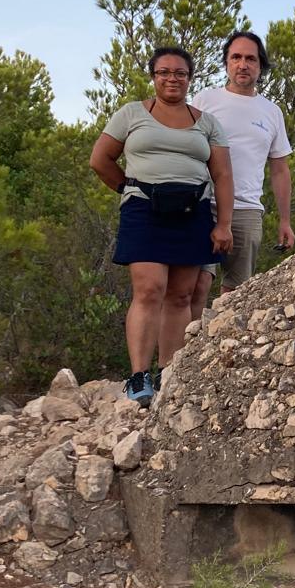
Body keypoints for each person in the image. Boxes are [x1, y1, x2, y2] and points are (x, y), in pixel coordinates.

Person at [89, 45, 234, 404]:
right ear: (153, 76)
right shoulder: (131, 114)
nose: (172, 78)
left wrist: (224, 225)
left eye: (180, 73)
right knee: (150, 289)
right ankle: (139, 377)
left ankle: (169, 373)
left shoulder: (207, 122)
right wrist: (127, 188)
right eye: (164, 72)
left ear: (190, 78)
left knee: (182, 294)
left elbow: (222, 174)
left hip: (193, 212)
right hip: (144, 210)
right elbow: (100, 159)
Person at [188, 29, 295, 317]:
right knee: (195, 285)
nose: (243, 64)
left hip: (247, 209)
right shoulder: (204, 100)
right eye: (236, 57)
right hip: (202, 204)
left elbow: (280, 169)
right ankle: (184, 357)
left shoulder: (272, 112)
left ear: (260, 66)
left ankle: (222, 353)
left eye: (250, 58)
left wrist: (285, 221)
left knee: (236, 294)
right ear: (226, 63)